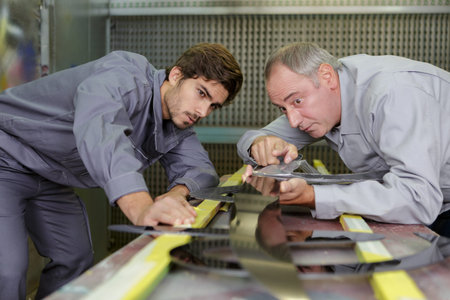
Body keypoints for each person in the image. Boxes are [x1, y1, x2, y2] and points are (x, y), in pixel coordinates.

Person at [0, 43, 243, 299]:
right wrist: (141, 209)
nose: (203, 112)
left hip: (49, 175)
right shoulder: (125, 75)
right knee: (8, 271)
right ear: (176, 75)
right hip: (6, 155)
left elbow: (202, 170)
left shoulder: (177, 124)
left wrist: (177, 194)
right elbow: (102, 130)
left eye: (214, 106)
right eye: (202, 93)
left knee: (75, 259)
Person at [238, 41, 450, 237]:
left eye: (297, 100)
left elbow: (418, 198)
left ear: (327, 76)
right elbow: (252, 138)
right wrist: (260, 144)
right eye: (283, 109)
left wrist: (313, 196)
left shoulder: (393, 94)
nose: (293, 121)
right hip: (424, 207)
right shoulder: (319, 102)